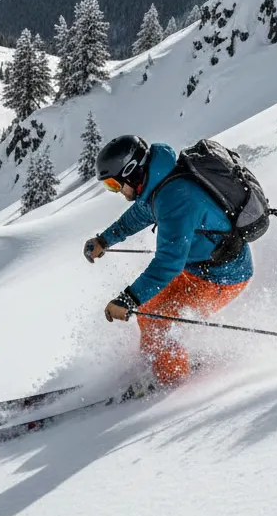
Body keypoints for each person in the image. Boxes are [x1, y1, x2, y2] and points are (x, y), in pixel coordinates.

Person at [83, 135, 252, 386]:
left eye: (113, 184)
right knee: (149, 312)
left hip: (221, 277)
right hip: (199, 269)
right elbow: (139, 214)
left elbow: (168, 263)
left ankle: (172, 384)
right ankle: (160, 362)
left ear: (131, 172)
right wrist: (105, 240)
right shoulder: (161, 183)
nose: (116, 191)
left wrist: (127, 299)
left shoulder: (175, 198)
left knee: (156, 320)